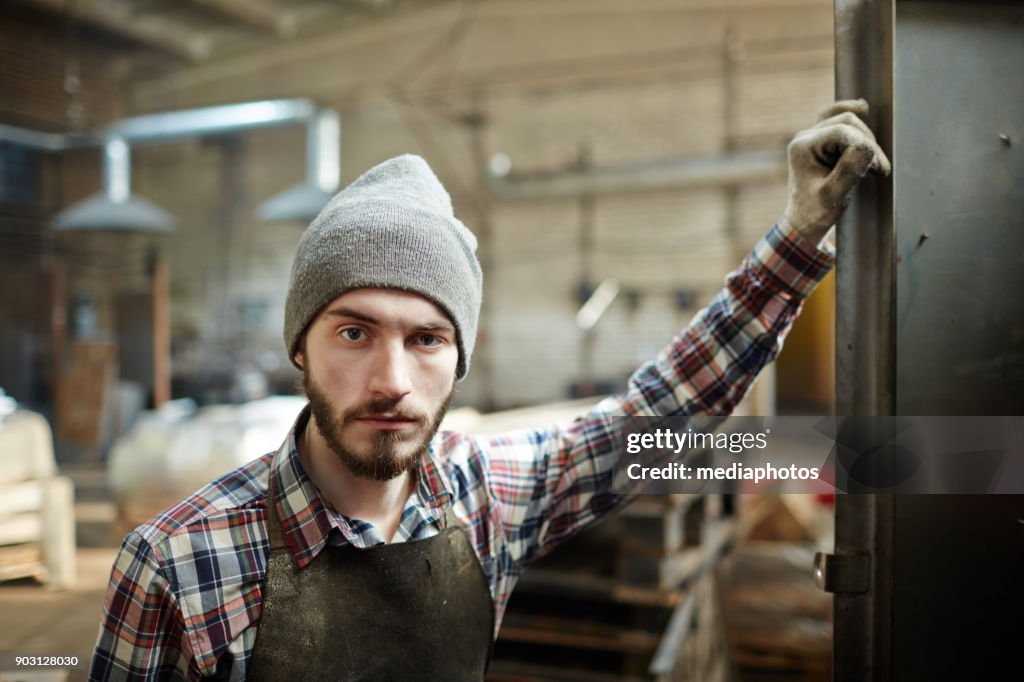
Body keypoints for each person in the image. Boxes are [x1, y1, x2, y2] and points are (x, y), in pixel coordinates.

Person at [89, 100, 889, 681]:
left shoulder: (487, 496)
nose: (392, 382)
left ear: (460, 357)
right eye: (354, 332)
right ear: (300, 344)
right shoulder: (176, 562)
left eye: (427, 339)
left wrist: (797, 232)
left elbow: (662, 409)